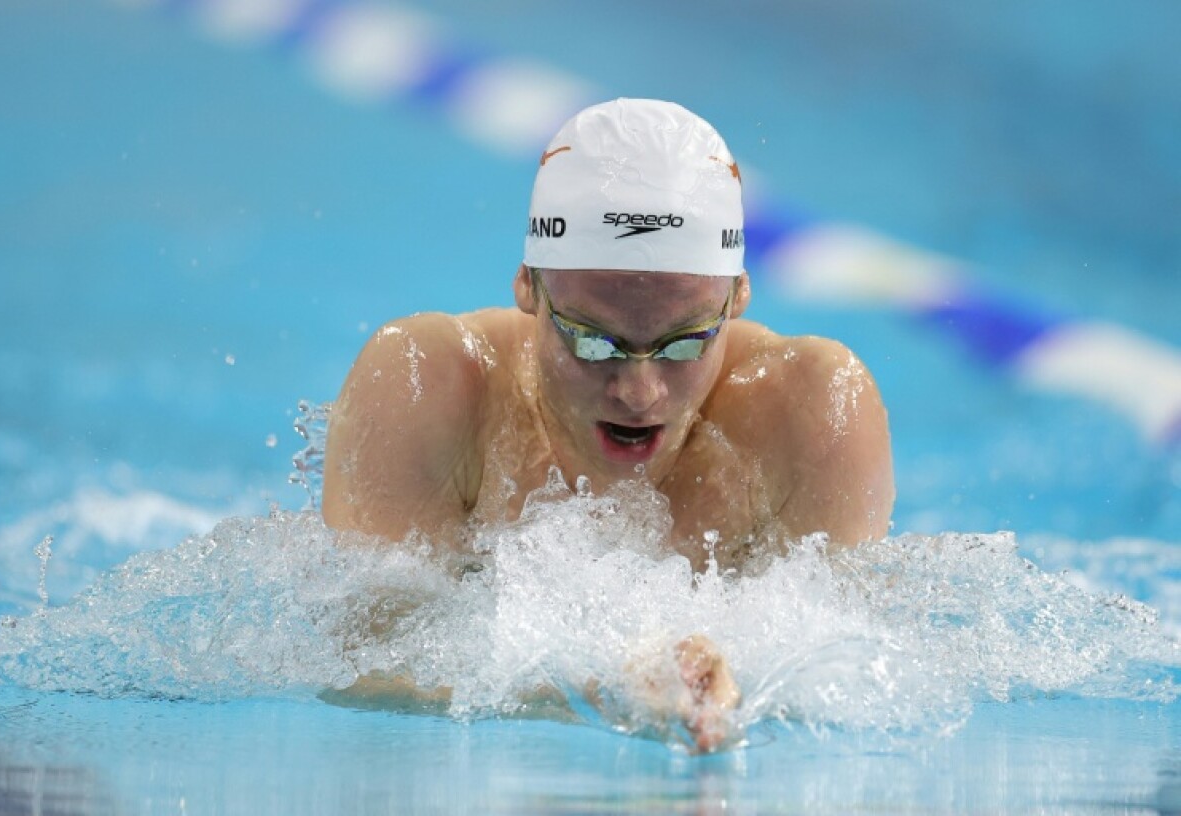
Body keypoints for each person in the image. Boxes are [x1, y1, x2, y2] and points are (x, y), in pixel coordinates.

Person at [321, 98, 894, 750]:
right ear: (528, 288)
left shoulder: (812, 409)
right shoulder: (431, 384)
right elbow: (362, 665)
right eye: (594, 342)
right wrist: (591, 689)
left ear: (738, 297)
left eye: (685, 343)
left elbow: (848, 667)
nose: (639, 392)